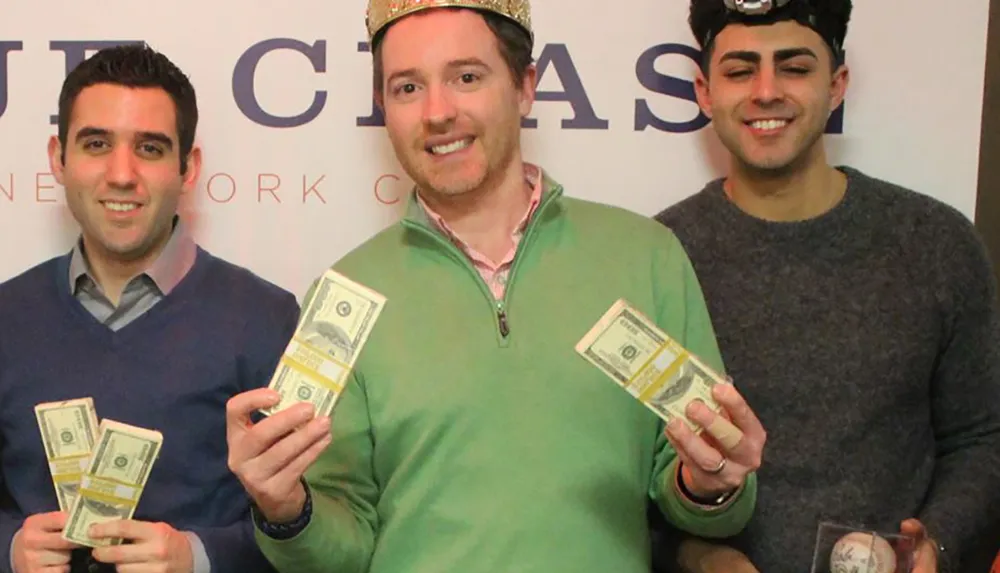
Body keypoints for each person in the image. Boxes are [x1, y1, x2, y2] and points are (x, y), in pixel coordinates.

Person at [224, 1, 768, 572]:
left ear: (524, 87)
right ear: (384, 108)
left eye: (466, 77)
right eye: (408, 87)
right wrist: (287, 509)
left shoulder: (644, 256)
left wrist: (710, 482)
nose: (437, 112)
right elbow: (338, 551)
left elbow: (707, 506)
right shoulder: (345, 296)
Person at [651, 1, 1000, 571]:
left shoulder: (937, 244)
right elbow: (634, 465)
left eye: (794, 67)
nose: (766, 92)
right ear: (704, 91)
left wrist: (938, 544)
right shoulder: (657, 255)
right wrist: (696, 556)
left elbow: (982, 439)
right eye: (740, 70)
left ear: (836, 85)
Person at [0, 44, 299, 573]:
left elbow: (309, 530)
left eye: (150, 148)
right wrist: (8, 549)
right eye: (96, 144)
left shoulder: (265, 319)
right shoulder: (6, 317)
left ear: (188, 168)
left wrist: (199, 557)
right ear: (58, 158)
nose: (122, 174)